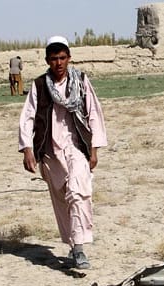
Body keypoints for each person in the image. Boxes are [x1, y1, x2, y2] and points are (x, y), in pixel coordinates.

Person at [18, 35, 107, 269]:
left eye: (62, 58)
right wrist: (28, 150)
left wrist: (94, 149)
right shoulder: (39, 85)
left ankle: (79, 248)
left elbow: (94, 114)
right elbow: (27, 118)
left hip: (76, 147)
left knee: (79, 193)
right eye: (54, 59)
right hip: (50, 151)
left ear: (69, 58)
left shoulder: (81, 81)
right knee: (61, 200)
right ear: (48, 60)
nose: (59, 63)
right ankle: (72, 243)